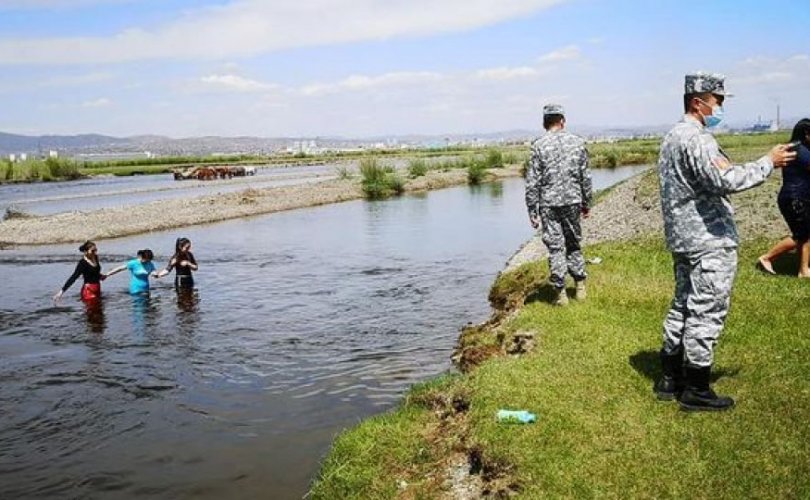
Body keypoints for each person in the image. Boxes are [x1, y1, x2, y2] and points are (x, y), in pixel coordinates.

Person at [654, 72, 796, 411]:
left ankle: (670, 377)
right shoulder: (698, 139)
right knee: (707, 310)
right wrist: (768, 162)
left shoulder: (671, 136)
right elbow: (726, 178)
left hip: (683, 237)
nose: (720, 107)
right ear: (697, 101)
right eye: (718, 101)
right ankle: (697, 389)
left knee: (683, 304)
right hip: (708, 238)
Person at [525, 103, 592, 306]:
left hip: (549, 204)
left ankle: (560, 293)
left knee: (555, 247)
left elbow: (532, 181)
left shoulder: (538, 146)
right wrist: (587, 202)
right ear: (562, 121)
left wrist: (532, 209)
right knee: (573, 243)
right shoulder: (578, 142)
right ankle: (580, 286)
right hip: (573, 200)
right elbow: (585, 176)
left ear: (545, 123)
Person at [757, 119, 810, 277]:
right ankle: (767, 258)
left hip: (795, 197)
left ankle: (803, 269)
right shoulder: (799, 150)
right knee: (802, 235)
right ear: (807, 134)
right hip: (796, 198)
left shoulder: (798, 147)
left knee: (804, 234)